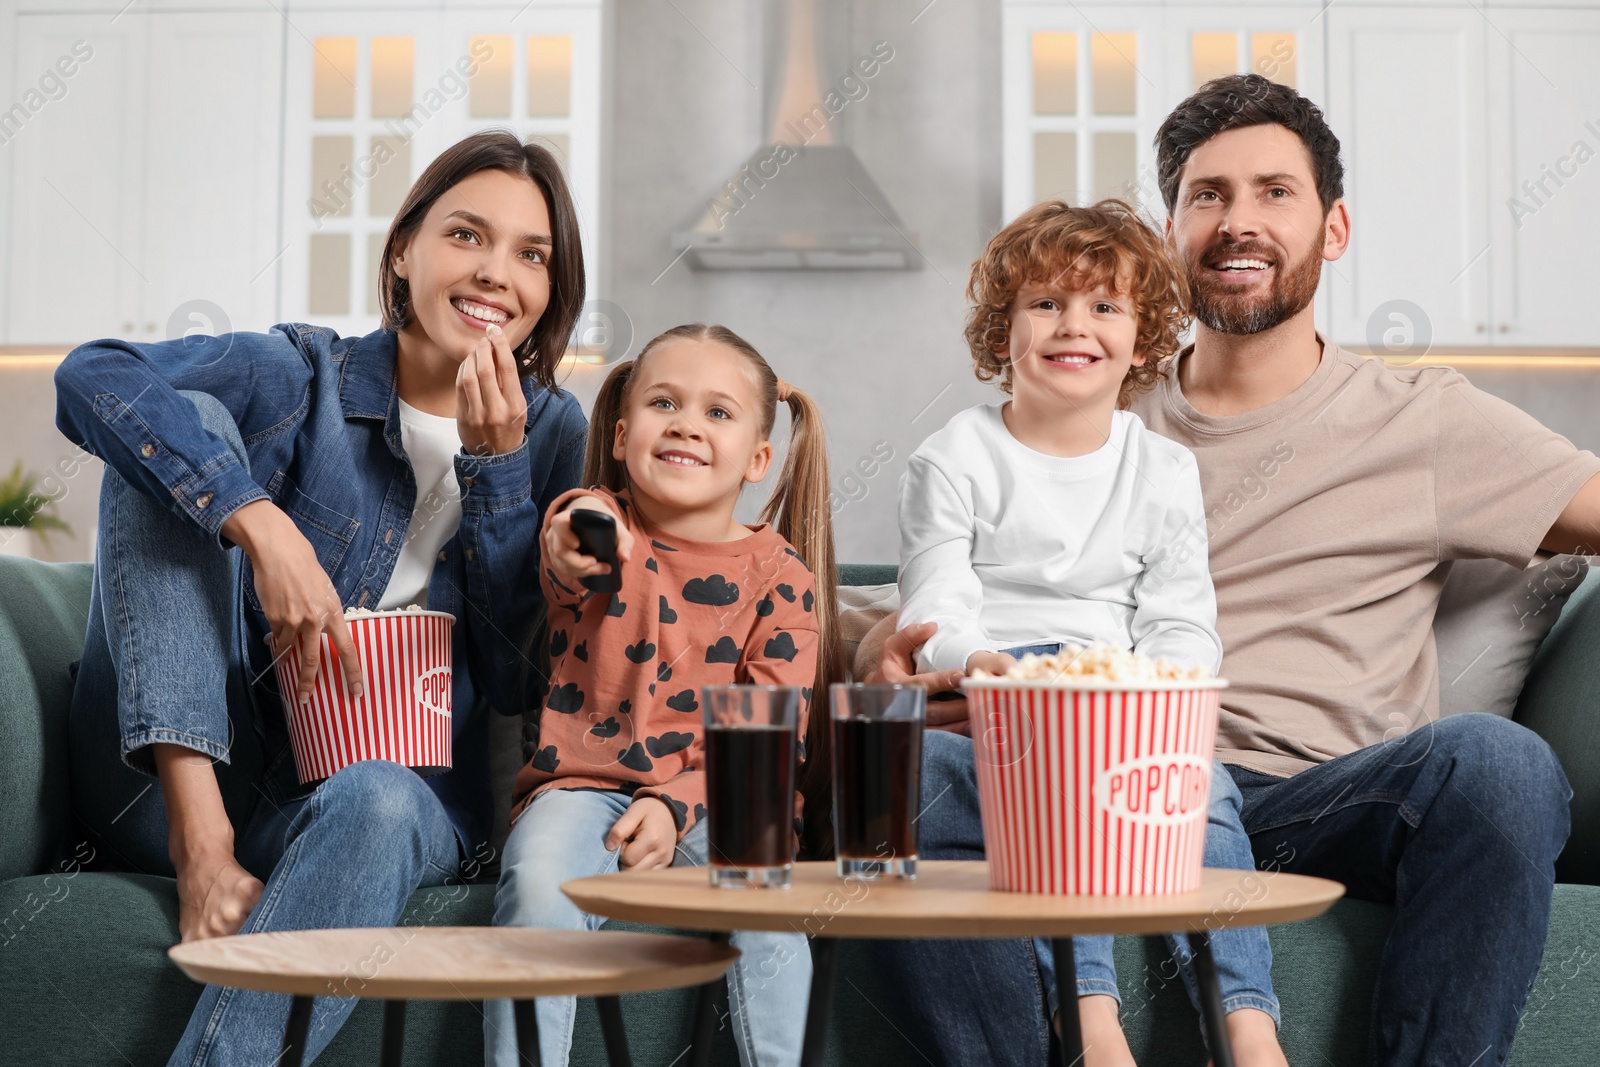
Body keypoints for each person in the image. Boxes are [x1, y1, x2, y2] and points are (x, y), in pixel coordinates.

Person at [860, 73, 1600, 1067]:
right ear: (1169, 232)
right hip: (1100, 779)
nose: (1235, 221)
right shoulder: (1091, 402)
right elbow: (946, 581)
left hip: (1317, 799)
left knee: (1500, 765)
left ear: (1333, 229)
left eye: (1271, 192)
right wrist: (889, 650)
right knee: (902, 777)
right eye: (1207, 194)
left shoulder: (1424, 421)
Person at [55, 130, 589, 1065]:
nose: (497, 272)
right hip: (186, 773)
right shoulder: (300, 375)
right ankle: (201, 845)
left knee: (380, 801)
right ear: (403, 251)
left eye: (531, 254)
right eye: (467, 235)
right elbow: (90, 375)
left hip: (377, 804)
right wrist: (255, 518)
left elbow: (515, 678)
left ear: (550, 291)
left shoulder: (550, 433)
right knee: (181, 431)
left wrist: (500, 470)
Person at [896, 198, 1284, 1066]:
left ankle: (1246, 1025)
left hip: (1127, 695)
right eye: (1047, 304)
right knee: (1033, 786)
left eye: (1105, 307)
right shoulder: (953, 458)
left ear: (1143, 340)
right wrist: (985, 664)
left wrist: (1159, 696)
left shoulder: (1163, 468)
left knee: (1205, 788)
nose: (1075, 326)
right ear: (1005, 335)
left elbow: (1183, 619)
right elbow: (934, 612)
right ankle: (1090, 1014)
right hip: (1003, 699)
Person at [485, 323, 845, 1067]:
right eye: (663, 403)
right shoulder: (600, 524)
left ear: (758, 457)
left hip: (726, 797)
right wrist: (575, 537)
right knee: (536, 884)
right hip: (582, 786)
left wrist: (674, 802)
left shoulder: (782, 578)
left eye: (718, 412)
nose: (685, 423)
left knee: (769, 901)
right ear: (621, 435)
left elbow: (770, 745)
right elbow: (572, 536)